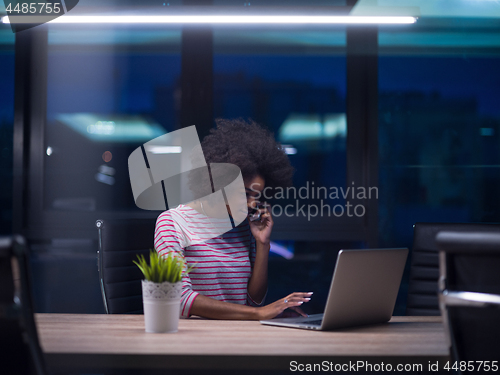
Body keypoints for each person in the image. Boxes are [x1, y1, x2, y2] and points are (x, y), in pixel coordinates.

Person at [154, 118, 312, 319]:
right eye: (245, 194)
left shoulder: (244, 227)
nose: (252, 204)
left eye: (257, 196)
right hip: (194, 339)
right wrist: (258, 313)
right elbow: (180, 299)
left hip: (239, 334)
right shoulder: (172, 223)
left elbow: (253, 300)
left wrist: (262, 243)